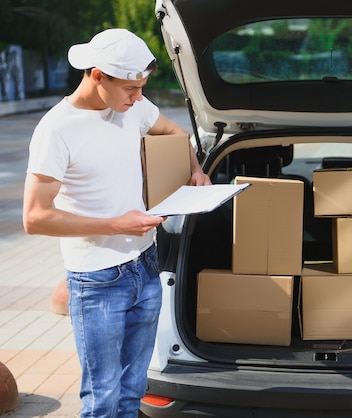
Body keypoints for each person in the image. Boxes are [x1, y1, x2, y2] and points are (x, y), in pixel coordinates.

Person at [22, 28, 211, 417]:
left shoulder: (133, 108)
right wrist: (115, 225)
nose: (139, 96)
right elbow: (35, 217)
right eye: (130, 87)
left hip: (145, 266)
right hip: (97, 282)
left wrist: (196, 170)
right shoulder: (56, 130)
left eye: (142, 86)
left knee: (133, 392)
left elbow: (175, 133)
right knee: (103, 398)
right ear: (96, 75)